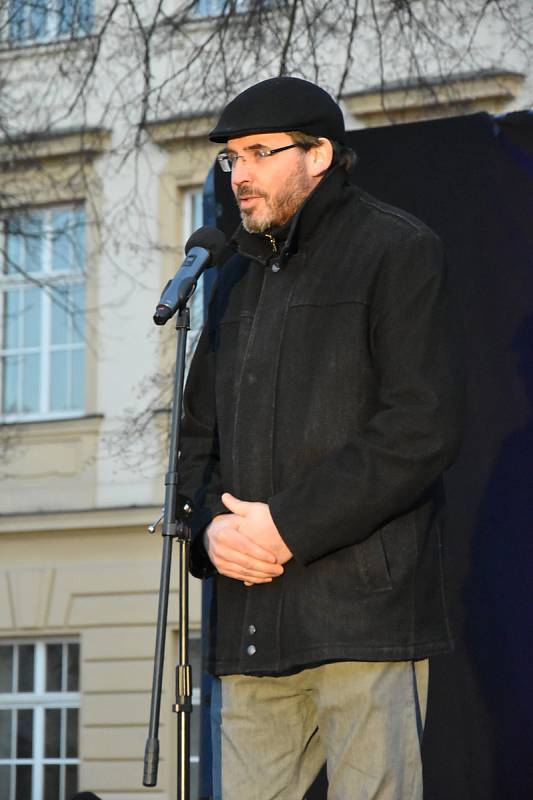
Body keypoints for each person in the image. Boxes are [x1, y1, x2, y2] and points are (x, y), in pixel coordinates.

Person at [178, 76, 463, 800]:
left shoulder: (395, 249)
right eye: (230, 158)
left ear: (319, 155)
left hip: (362, 614)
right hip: (251, 620)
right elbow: (193, 443)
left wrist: (286, 526)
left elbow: (418, 425)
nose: (238, 172)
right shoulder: (232, 279)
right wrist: (208, 530)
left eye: (258, 152)